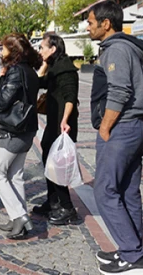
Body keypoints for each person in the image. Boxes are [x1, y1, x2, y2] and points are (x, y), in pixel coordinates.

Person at [87, 0, 143, 275]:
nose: (87, 27)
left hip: (122, 127)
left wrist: (105, 127)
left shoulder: (116, 49)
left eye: (90, 22)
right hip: (134, 126)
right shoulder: (127, 48)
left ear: (106, 23)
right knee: (127, 192)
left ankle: (134, 257)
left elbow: (120, 91)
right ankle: (130, 250)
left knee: (104, 191)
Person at [0, 33, 40, 240]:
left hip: (12, 130)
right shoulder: (29, 70)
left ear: (13, 51)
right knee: (15, 175)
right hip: (27, 129)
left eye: (4, 48)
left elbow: (2, 102)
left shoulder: (16, 72)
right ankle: (17, 218)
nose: (1, 51)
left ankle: (19, 216)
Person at [32, 32, 79, 225]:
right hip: (54, 122)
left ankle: (67, 207)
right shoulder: (53, 67)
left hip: (63, 124)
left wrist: (65, 120)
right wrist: (44, 63)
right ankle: (52, 202)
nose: (40, 49)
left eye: (43, 47)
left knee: (57, 164)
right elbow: (38, 82)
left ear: (53, 49)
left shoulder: (66, 69)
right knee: (48, 161)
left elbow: (70, 97)